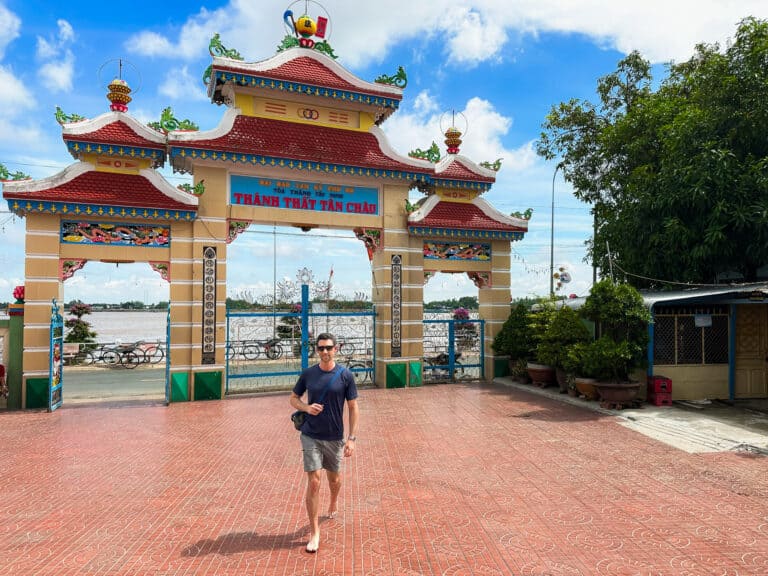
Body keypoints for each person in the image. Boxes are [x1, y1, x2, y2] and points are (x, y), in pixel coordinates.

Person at [289, 332, 359, 553]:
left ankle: (333, 500)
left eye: (328, 347)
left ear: (336, 349)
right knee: (314, 482)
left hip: (335, 437)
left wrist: (351, 438)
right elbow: (293, 398)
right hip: (311, 434)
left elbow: (353, 407)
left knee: (334, 480)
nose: (325, 351)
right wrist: (306, 408)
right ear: (317, 350)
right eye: (321, 348)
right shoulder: (309, 374)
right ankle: (314, 532)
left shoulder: (345, 375)